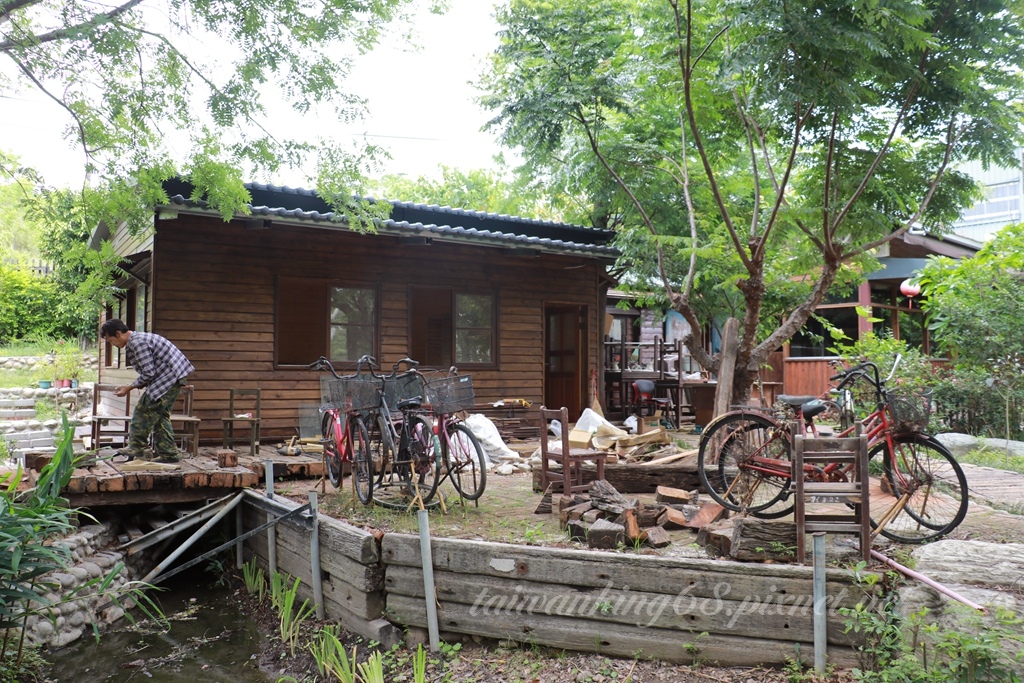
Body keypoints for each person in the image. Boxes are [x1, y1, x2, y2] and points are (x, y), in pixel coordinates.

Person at [99, 319, 195, 463]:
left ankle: (136, 446)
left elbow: (149, 373)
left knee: (143, 410)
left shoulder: (137, 343)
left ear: (118, 334)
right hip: (172, 376)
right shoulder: (137, 339)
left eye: (110, 340)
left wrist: (129, 388)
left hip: (168, 377)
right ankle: (169, 454)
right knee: (160, 417)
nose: (111, 344)